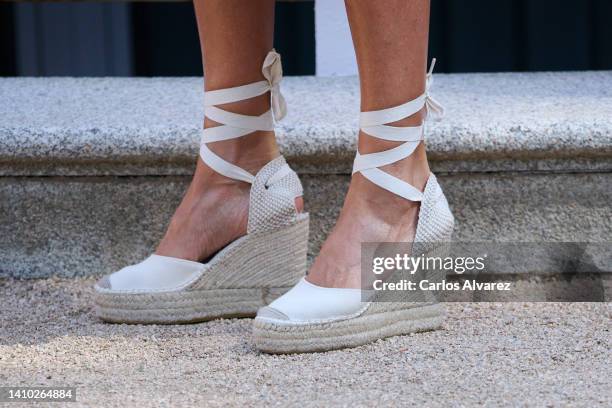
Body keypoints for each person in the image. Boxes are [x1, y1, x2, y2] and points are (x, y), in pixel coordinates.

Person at [94, 0, 453, 353]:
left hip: (397, 200)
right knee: (233, 146)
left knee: (391, 167)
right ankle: (235, 169)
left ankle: (393, 191)